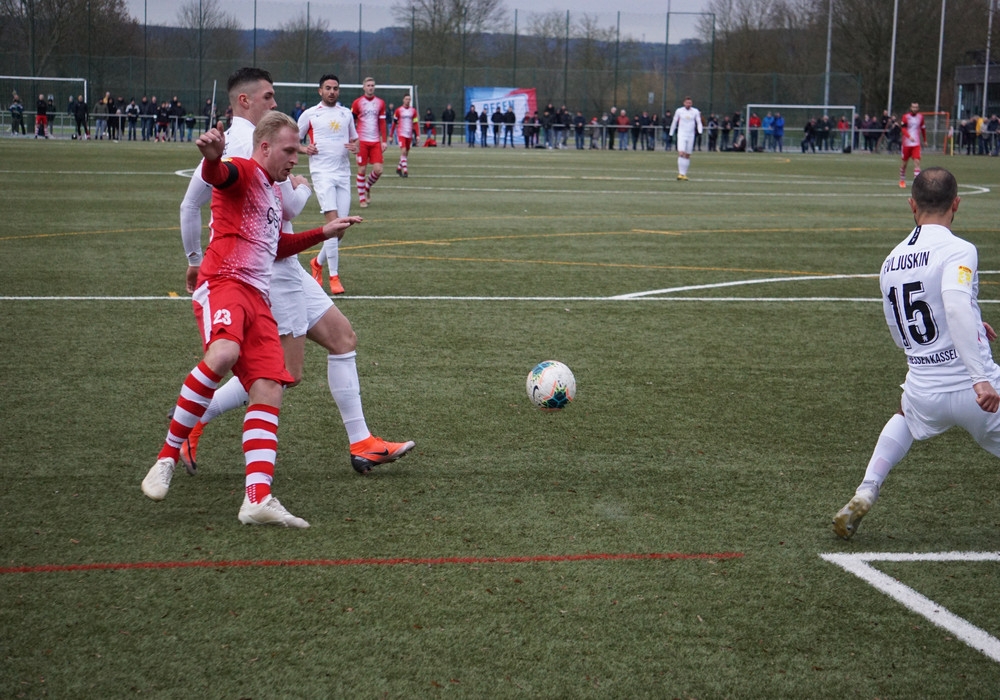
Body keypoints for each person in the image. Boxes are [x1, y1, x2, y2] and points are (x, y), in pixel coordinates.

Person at [177, 68, 414, 485]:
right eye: (268, 97)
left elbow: (190, 203)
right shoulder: (240, 145)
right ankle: (196, 417)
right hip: (267, 271)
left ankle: (362, 443)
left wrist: (194, 256)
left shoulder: (253, 139)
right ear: (245, 101)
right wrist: (301, 187)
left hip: (287, 263)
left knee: (343, 338)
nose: (275, 102)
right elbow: (284, 207)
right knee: (285, 374)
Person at [142, 110, 365, 528]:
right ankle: (166, 457)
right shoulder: (243, 170)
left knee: (270, 386)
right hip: (225, 285)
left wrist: (324, 232)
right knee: (224, 353)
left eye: (298, 150)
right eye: (289, 150)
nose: (295, 158)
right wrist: (211, 158)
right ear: (264, 147)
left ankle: (257, 498)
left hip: (259, 298)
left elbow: (276, 246)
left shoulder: (270, 190)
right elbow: (219, 175)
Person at [832, 168, 1000, 540]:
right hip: (976, 391)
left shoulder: (890, 261)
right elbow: (954, 306)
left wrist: (971, 322)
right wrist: (980, 378)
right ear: (957, 204)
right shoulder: (959, 249)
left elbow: (899, 327)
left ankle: (866, 490)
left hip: (924, 387)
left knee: (904, 414)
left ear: (912, 205)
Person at [299, 73, 359, 295]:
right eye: (328, 88)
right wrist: (305, 149)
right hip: (322, 174)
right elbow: (293, 140)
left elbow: (355, 139)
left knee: (340, 229)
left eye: (335, 88)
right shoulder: (310, 114)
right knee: (334, 224)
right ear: (320, 91)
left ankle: (317, 262)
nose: (332, 91)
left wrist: (356, 146)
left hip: (343, 174)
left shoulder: (346, 114)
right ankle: (334, 277)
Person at [350, 77, 387, 209]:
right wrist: (353, 139)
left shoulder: (380, 103)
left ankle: (367, 186)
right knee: (362, 169)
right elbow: (351, 122)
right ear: (364, 87)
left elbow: (382, 122)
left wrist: (385, 140)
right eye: (368, 85)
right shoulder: (357, 103)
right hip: (362, 141)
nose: (370, 87)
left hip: (376, 141)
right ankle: (362, 199)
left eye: (372, 85)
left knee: (378, 170)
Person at [668, 96, 703, 181]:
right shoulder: (679, 111)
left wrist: (700, 131)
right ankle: (680, 173)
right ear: (684, 103)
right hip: (682, 134)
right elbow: (674, 121)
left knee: (687, 155)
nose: (688, 104)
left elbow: (698, 121)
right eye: (687, 103)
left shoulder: (695, 111)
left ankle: (684, 174)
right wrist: (671, 133)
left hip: (691, 135)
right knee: (681, 152)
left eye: (690, 103)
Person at [899, 102, 927, 188]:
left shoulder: (920, 117)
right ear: (911, 108)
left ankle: (916, 183)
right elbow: (903, 129)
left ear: (918, 108)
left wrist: (925, 140)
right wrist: (909, 136)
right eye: (913, 107)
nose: (915, 109)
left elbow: (923, 129)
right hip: (906, 144)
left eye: (916, 107)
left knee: (917, 162)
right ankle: (902, 180)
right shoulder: (905, 117)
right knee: (904, 164)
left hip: (916, 144)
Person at [390, 93, 419, 177]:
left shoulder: (413, 111)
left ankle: (399, 168)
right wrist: (391, 135)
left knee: (406, 153)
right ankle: (405, 171)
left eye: (409, 99)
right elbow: (394, 123)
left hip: (409, 134)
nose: (408, 101)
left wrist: (417, 135)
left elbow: (416, 123)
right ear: (403, 100)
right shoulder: (398, 110)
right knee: (403, 151)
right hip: (401, 133)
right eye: (406, 99)